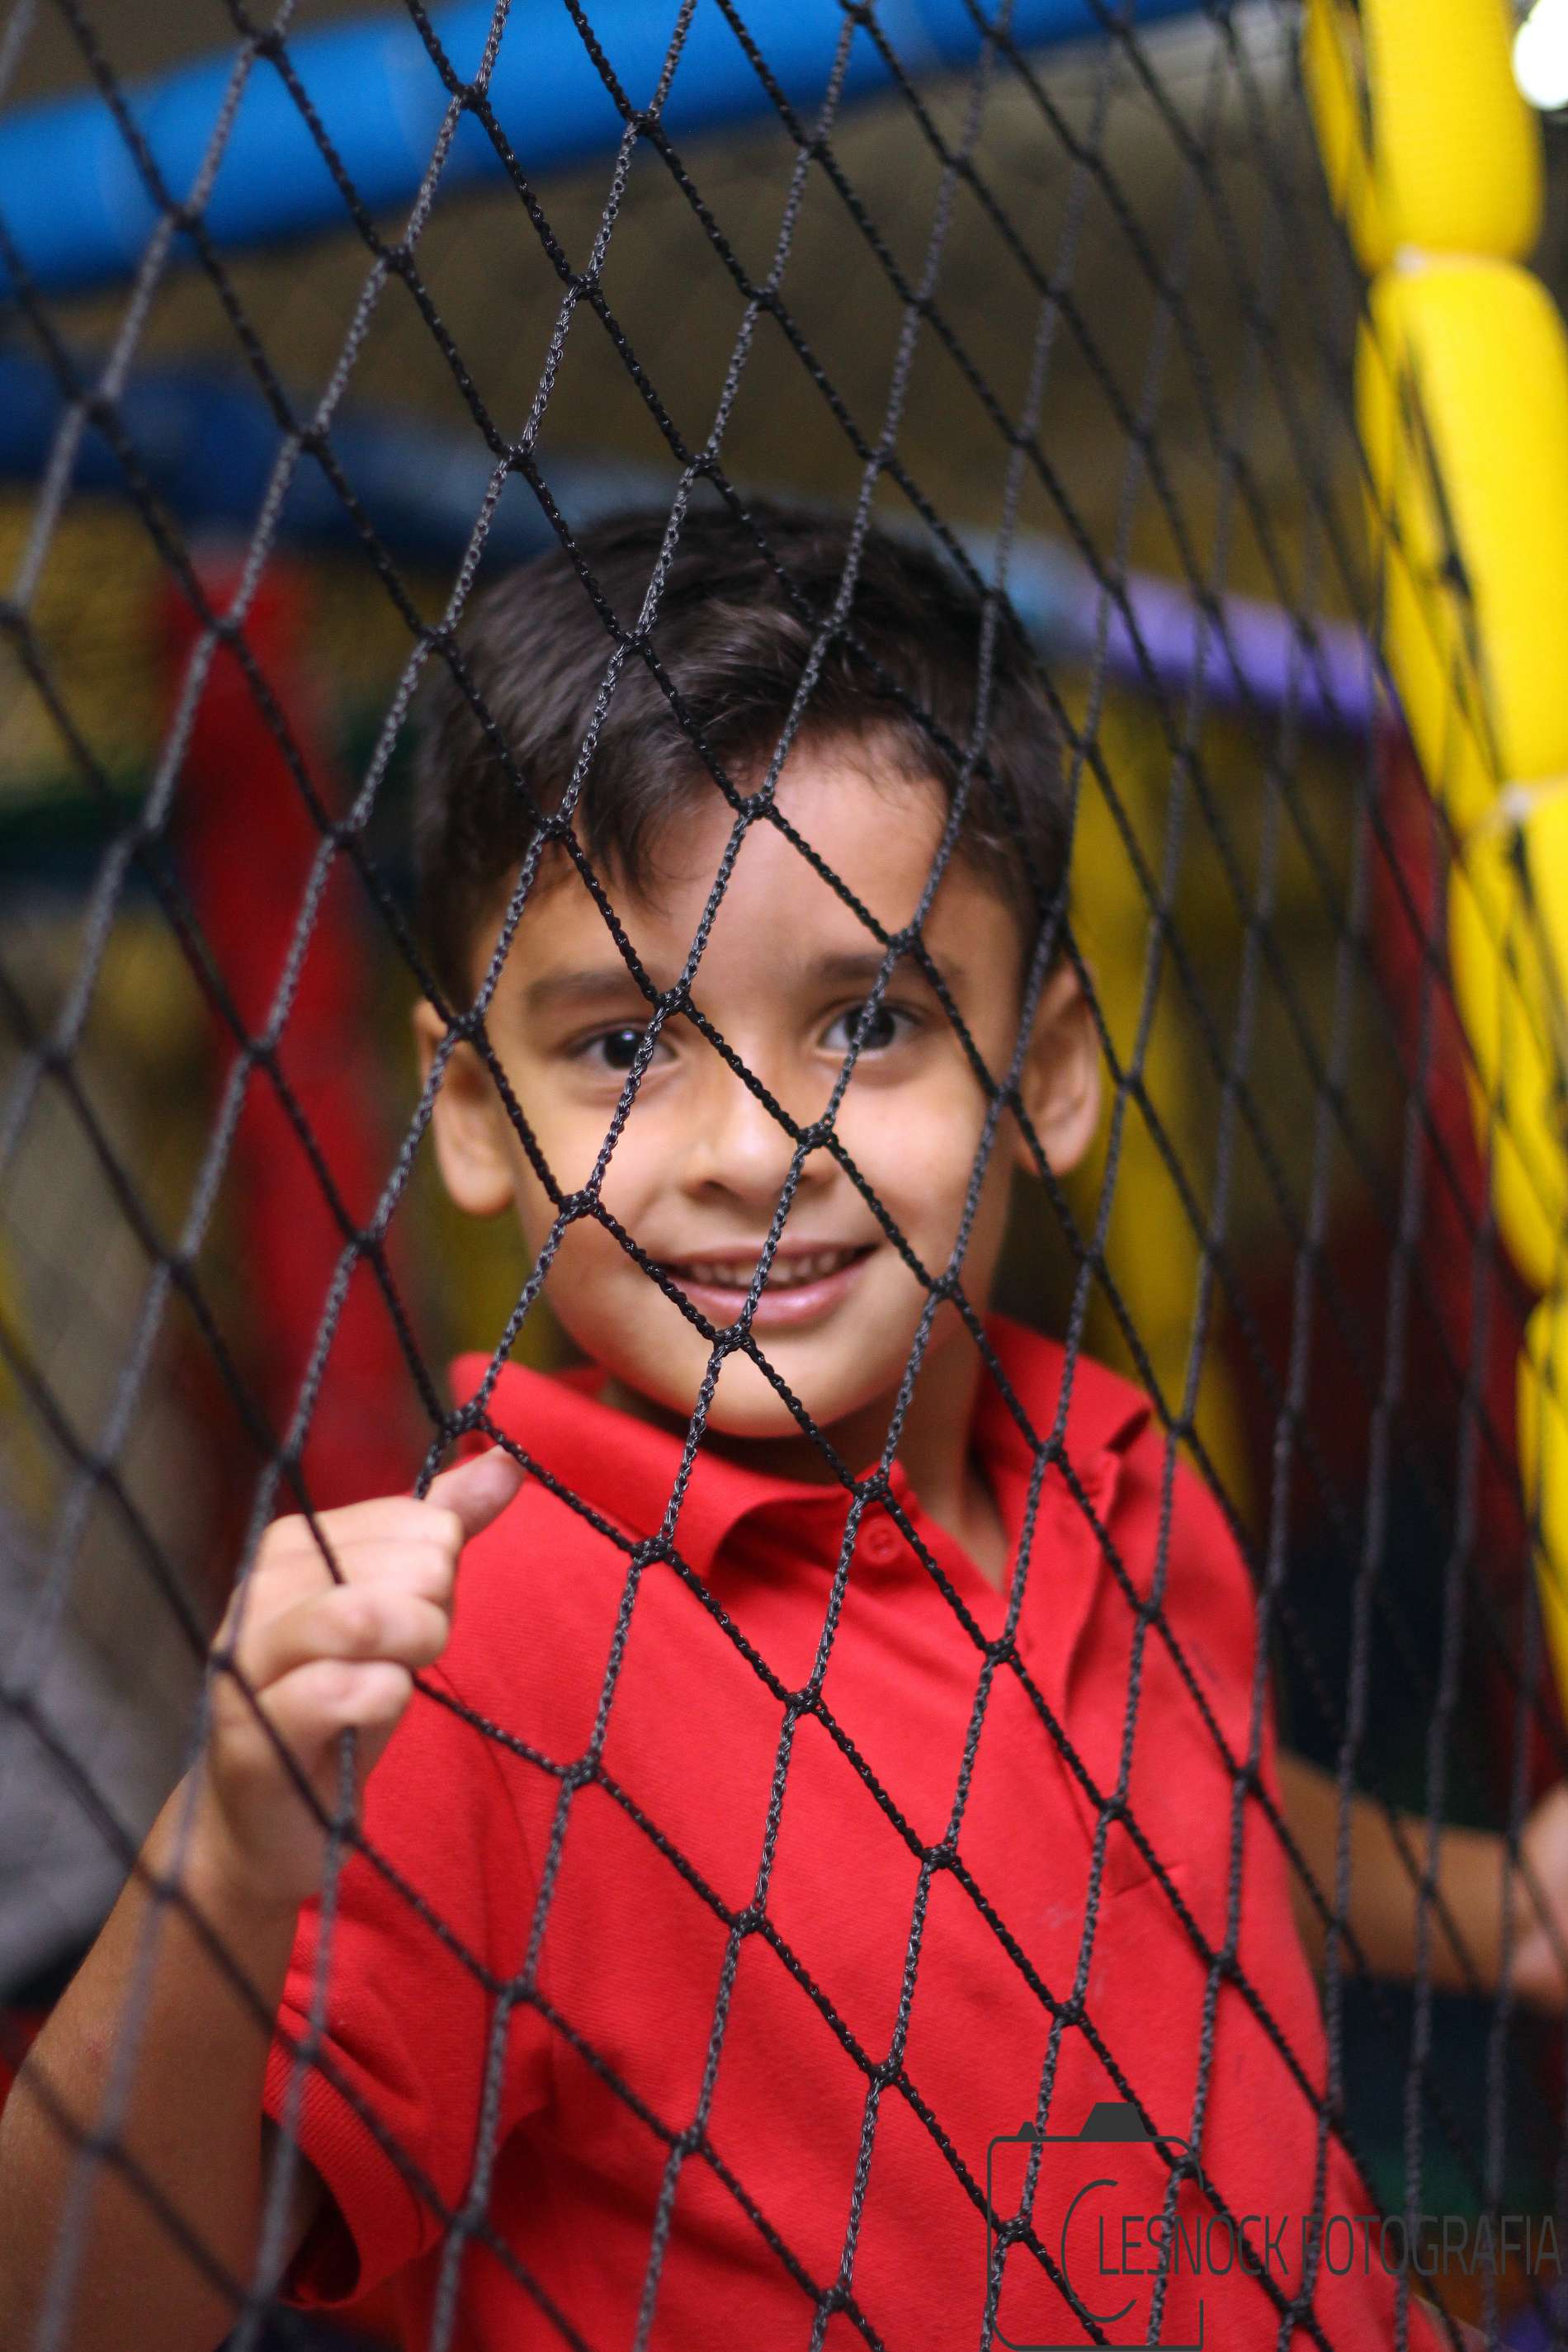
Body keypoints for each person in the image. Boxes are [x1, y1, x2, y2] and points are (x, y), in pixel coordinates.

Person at [0, 504, 1525, 2350]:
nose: (750, 1151)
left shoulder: (1108, 1465)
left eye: (864, 1022)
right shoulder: (491, 1652)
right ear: (473, 1116)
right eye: (622, 1046)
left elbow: (1183, 1803)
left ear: (1045, 1074)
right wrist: (228, 1863)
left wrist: (1501, 1907)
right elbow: (71, 2304)